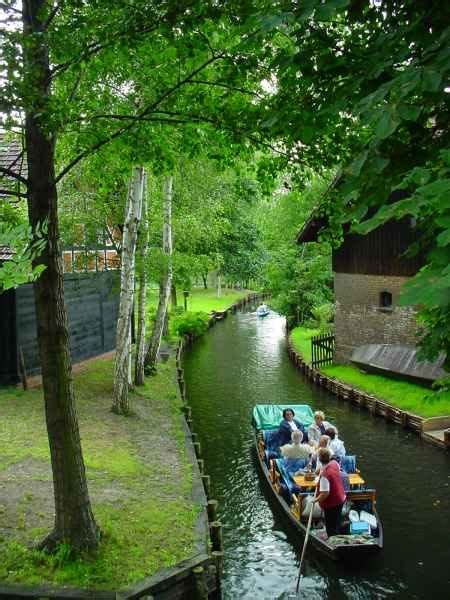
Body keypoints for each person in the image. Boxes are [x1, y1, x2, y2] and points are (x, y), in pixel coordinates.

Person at [313, 447, 346, 538]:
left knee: (331, 527)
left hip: (332, 503)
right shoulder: (334, 464)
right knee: (336, 521)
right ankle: (337, 536)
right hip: (341, 498)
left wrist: (315, 500)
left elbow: (325, 493)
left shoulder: (324, 475)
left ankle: (333, 541)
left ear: (319, 460)